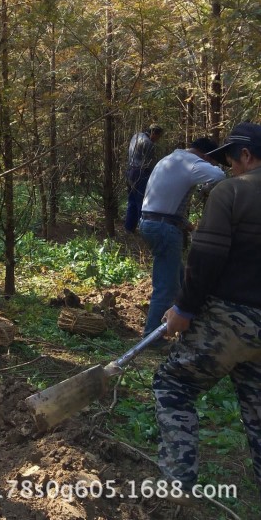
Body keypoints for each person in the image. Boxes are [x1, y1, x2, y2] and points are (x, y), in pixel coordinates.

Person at [153, 122, 261, 501]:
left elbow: (206, 257)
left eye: (232, 160)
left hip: (231, 319)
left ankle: (175, 489)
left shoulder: (232, 191)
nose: (230, 168)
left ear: (245, 156)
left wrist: (184, 307)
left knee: (174, 385)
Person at [139, 137, 226, 337]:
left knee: (179, 278)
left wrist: (187, 225)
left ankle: (186, 326)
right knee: (167, 287)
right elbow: (219, 176)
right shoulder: (191, 162)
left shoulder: (172, 159)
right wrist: (207, 187)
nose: (211, 165)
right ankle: (152, 336)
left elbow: (164, 200)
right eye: (212, 160)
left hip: (152, 223)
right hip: (163, 228)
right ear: (206, 156)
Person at [124, 124, 164, 232]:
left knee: (132, 200)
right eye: (158, 136)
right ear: (153, 133)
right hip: (141, 173)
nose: (158, 140)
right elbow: (150, 163)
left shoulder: (136, 136)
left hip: (130, 171)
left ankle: (129, 227)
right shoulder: (148, 144)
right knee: (141, 202)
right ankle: (143, 229)